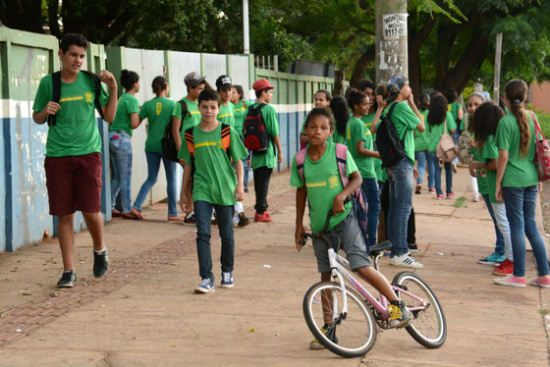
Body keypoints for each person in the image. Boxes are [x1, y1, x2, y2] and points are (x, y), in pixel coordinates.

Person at [291, 107, 413, 350]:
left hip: (346, 220)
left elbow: (357, 179)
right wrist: (298, 225)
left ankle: (397, 306)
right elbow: (301, 191)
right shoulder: (301, 161)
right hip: (319, 229)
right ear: (306, 130)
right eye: (313, 127)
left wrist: (342, 196)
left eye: (323, 128)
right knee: (326, 278)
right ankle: (329, 329)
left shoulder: (340, 152)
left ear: (331, 132)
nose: (317, 132)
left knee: (360, 265)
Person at [32, 33, 118, 288]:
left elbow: (109, 116)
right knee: (64, 213)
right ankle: (68, 270)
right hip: (58, 156)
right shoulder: (49, 83)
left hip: (89, 154)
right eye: (73, 55)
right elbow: (37, 117)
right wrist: (43, 112)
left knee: (91, 210)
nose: (78, 60)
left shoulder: (91, 82)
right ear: (61, 54)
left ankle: (99, 249)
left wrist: (113, 88)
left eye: (82, 56)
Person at [179, 89, 248, 293]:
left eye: (213, 107)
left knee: (227, 234)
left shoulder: (227, 132)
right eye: (204, 107)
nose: (208, 111)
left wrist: (239, 185)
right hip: (201, 190)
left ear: (219, 109)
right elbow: (188, 166)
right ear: (198, 108)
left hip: (225, 189)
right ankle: (206, 278)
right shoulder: (191, 134)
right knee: (203, 233)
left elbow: (238, 161)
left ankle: (227, 272)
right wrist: (184, 193)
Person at [494, 79, 550, 288]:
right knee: (532, 227)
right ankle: (545, 274)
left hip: (513, 180)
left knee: (516, 226)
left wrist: (498, 183)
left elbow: (503, 156)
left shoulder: (505, 122)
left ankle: (518, 275)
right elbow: (538, 148)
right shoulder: (532, 117)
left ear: (505, 98)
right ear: (526, 98)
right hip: (531, 178)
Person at [380, 75, 425, 268]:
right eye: (407, 86)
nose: (410, 88)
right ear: (400, 90)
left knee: (395, 208)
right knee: (403, 207)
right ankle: (400, 251)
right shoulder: (403, 107)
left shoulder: (389, 109)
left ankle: (395, 250)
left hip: (393, 162)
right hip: (402, 162)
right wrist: (412, 103)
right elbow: (421, 126)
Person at [468, 102, 513, 275]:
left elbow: (494, 163)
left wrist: (476, 164)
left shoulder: (490, 138)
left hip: (496, 185)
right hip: (496, 184)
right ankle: (507, 256)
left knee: (502, 223)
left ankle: (508, 258)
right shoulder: (498, 134)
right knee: (503, 222)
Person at [131, 76, 183, 221]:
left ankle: (136, 206)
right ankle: (172, 213)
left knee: (151, 177)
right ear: (166, 86)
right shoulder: (173, 104)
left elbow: (135, 122)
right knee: (172, 178)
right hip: (167, 146)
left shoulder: (147, 105)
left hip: (151, 145)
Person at [345, 88, 381, 248]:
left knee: (361, 206)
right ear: (356, 106)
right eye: (365, 104)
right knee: (373, 206)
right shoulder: (358, 124)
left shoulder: (350, 123)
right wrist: (377, 154)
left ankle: (359, 240)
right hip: (365, 171)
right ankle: (371, 241)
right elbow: (360, 149)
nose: (368, 107)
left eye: (368, 104)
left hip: (356, 170)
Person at [172, 72, 207, 225]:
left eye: (203, 88)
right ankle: (189, 212)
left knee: (197, 179)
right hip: (187, 149)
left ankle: (196, 210)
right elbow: (175, 130)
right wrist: (181, 153)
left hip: (200, 148)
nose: (202, 91)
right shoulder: (181, 105)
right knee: (189, 179)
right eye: (199, 89)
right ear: (190, 88)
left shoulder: (202, 104)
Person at [216, 75, 250, 228]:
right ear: (218, 91)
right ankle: (227, 213)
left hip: (230, 148)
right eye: (224, 90)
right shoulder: (217, 108)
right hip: (218, 150)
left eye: (229, 90)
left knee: (232, 180)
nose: (228, 93)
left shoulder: (230, 106)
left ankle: (238, 213)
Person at [249, 79, 283, 222]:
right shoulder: (268, 109)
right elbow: (274, 132)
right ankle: (260, 212)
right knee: (264, 182)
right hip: (267, 152)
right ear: (263, 93)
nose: (271, 95)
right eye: (270, 92)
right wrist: (280, 151)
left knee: (259, 182)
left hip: (255, 153)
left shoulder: (250, 109)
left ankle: (263, 207)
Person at [109, 70, 141, 219]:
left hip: (112, 137)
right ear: (135, 84)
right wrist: (142, 115)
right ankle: (127, 209)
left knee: (118, 176)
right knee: (125, 175)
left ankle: (109, 205)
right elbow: (134, 123)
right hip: (122, 138)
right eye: (138, 82)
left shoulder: (122, 98)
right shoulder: (132, 100)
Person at [427, 94, 456, 199]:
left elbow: (429, 130)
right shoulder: (448, 116)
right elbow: (452, 130)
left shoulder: (430, 116)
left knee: (436, 170)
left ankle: (439, 193)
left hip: (434, 147)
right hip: (446, 148)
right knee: (448, 169)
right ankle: (449, 192)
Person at [231, 84, 253, 192]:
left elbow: (257, 107)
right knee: (232, 162)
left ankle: (243, 184)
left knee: (243, 161)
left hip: (243, 137)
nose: (230, 94)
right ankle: (234, 184)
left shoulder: (245, 104)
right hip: (230, 137)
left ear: (239, 95)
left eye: (233, 92)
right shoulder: (227, 105)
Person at [462, 93, 483, 202]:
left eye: (477, 104)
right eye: (470, 105)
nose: (473, 108)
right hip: (474, 159)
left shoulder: (489, 122)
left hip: (488, 168)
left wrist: (478, 143)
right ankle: (476, 194)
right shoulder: (469, 121)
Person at [414, 93, 431, 194]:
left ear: (418, 102)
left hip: (418, 144)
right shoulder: (430, 115)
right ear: (428, 102)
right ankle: (432, 186)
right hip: (429, 143)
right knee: (431, 165)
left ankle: (419, 182)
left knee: (421, 165)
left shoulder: (416, 114)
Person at [445, 88, 463, 173]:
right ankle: (454, 162)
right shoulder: (457, 105)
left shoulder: (444, 106)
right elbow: (460, 117)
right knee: (456, 147)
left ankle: (450, 165)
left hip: (446, 129)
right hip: (455, 127)